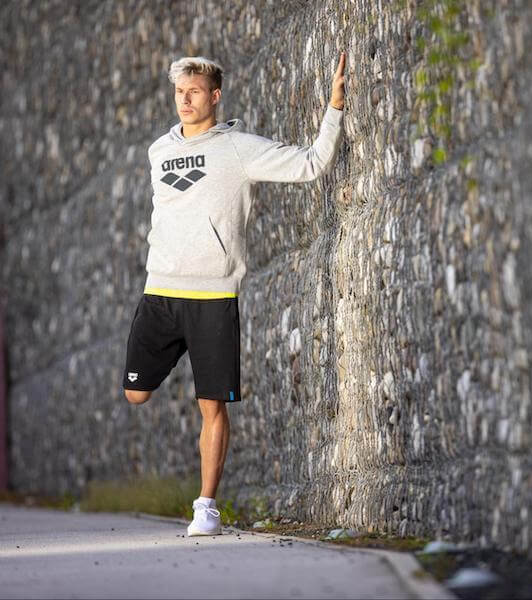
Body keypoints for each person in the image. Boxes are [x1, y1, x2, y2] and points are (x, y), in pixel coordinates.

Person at [122, 53, 346, 536]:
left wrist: (335, 109)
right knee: (135, 393)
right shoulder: (158, 150)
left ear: (214, 95)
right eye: (179, 91)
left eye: (195, 91)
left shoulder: (238, 149)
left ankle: (206, 507)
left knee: (211, 406)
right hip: (159, 290)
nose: (185, 99)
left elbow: (311, 164)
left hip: (213, 296)